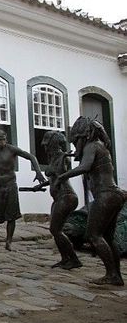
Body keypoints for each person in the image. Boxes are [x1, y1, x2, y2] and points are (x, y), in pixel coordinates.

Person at [54, 117, 126, 285]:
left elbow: (85, 166)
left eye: (75, 142)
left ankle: (112, 274)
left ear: (83, 136)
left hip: (106, 195)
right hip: (114, 195)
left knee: (93, 235)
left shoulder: (91, 146)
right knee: (107, 237)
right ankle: (115, 275)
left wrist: (63, 176)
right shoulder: (100, 146)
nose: (74, 146)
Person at [0, 130, 45, 251]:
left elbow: (31, 157)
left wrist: (38, 172)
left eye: (4, 139)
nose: (2, 142)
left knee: (12, 215)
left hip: (10, 184)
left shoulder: (12, 149)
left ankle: (8, 241)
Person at [36, 131, 82, 269]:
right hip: (58, 198)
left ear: (52, 145)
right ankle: (65, 258)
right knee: (56, 230)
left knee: (55, 229)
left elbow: (61, 173)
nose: (44, 148)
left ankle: (74, 259)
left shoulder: (63, 157)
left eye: (46, 145)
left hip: (66, 196)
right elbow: (53, 178)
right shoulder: (53, 158)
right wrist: (40, 185)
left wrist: (63, 157)